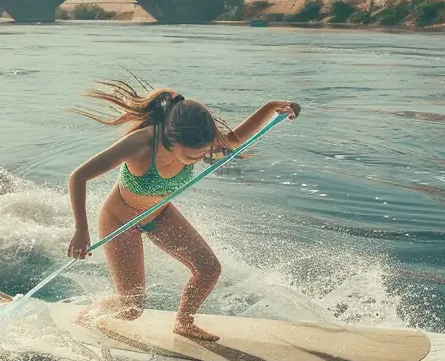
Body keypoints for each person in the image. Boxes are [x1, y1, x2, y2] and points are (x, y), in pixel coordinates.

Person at [66, 80, 300, 342]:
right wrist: (80, 230)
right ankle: (85, 318)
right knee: (131, 308)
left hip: (159, 213)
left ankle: (184, 322)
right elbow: (79, 176)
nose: (199, 159)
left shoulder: (200, 141)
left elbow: (233, 141)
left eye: (201, 155)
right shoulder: (141, 143)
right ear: (172, 140)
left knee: (209, 269)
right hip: (121, 219)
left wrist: (270, 108)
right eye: (191, 157)